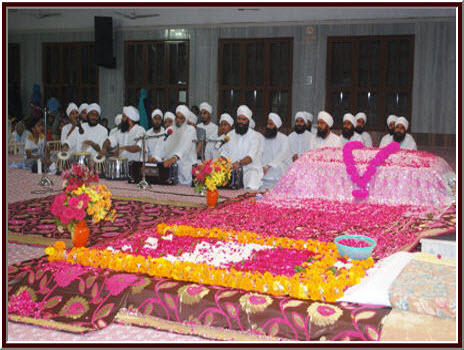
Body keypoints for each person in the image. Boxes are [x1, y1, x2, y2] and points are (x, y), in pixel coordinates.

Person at [220, 105, 263, 191]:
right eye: (239, 119)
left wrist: (239, 164)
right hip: (231, 171)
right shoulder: (229, 135)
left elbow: (250, 157)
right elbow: (223, 154)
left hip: (249, 170)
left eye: (244, 119)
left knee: (252, 178)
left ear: (248, 121)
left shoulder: (255, 136)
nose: (241, 122)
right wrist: (227, 166)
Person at [162, 105, 198, 185]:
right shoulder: (170, 130)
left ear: (185, 119)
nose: (178, 120)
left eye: (181, 118)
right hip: (171, 171)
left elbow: (185, 148)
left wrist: (173, 159)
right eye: (177, 117)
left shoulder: (191, 130)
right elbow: (163, 146)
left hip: (186, 171)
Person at [261, 113, 291, 189]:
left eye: (271, 124)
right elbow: (260, 153)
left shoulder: (284, 139)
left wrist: (269, 166)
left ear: (276, 126)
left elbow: (282, 154)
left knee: (278, 167)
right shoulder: (264, 139)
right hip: (265, 169)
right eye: (267, 124)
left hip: (279, 168)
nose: (268, 126)